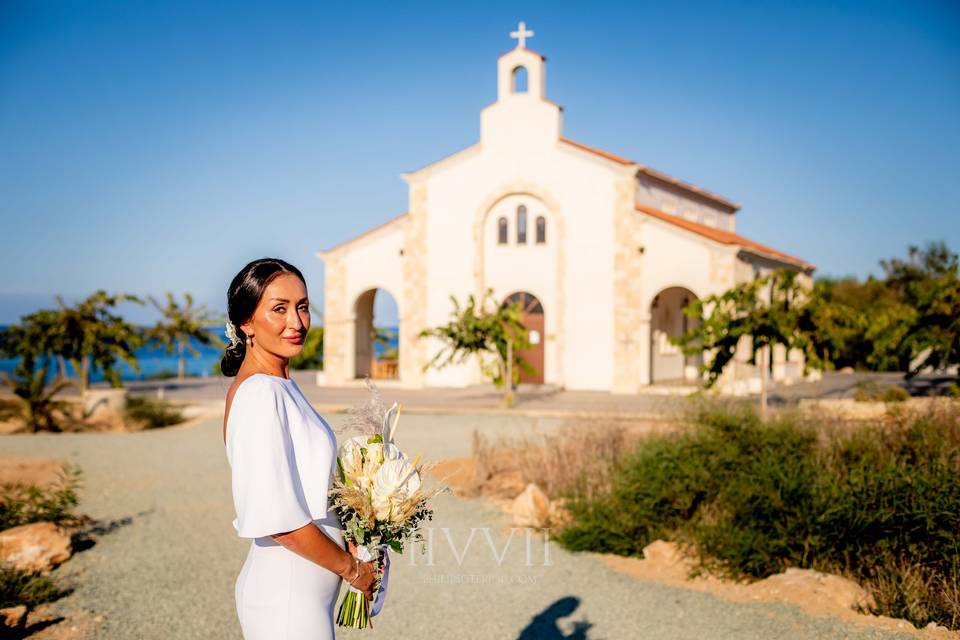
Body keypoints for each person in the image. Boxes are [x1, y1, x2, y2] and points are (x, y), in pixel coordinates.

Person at [221, 257, 377, 639]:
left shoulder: (281, 384)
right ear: (246, 323)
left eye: (303, 307)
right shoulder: (260, 393)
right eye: (279, 309)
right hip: (286, 602)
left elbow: (310, 491)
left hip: (303, 598)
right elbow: (279, 520)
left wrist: (359, 535)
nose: (297, 322)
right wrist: (352, 570)